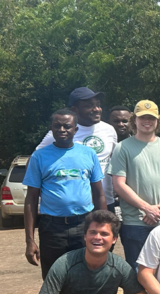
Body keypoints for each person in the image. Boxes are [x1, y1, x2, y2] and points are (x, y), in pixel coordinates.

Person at [24, 109, 105, 280]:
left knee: (87, 277)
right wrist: (29, 241)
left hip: (84, 225)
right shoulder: (39, 156)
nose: (62, 130)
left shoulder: (88, 154)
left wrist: (103, 226)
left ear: (75, 129)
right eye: (57, 126)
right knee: (54, 278)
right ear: (51, 129)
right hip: (52, 228)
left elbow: (99, 194)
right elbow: (31, 199)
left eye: (67, 126)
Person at [109, 100, 160, 269]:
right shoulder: (122, 148)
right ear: (135, 120)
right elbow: (119, 185)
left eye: (151, 117)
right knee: (136, 274)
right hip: (134, 222)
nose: (147, 121)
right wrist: (147, 208)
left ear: (158, 120)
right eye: (142, 117)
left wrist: (158, 209)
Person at [37, 87, 119, 211]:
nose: (97, 109)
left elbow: (115, 162)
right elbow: (34, 161)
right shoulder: (62, 132)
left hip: (105, 202)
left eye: (98, 105)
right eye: (89, 106)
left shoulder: (109, 130)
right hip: (77, 208)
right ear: (75, 110)